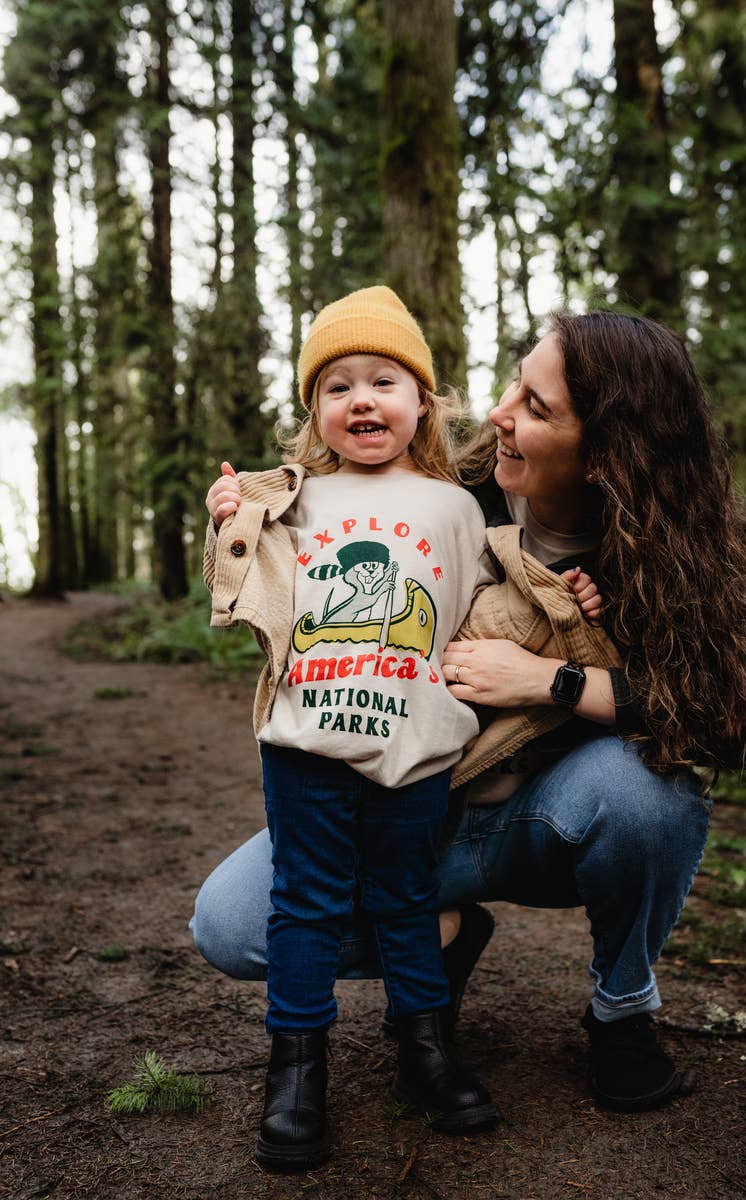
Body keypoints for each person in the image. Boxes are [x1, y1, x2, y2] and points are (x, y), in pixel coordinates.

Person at [194, 308, 746, 1122]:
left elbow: (745, 717)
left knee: (650, 794)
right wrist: (239, 520)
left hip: (550, 821)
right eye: (515, 383)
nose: (501, 413)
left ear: (608, 452)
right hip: (413, 804)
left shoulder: (657, 554)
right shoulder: (455, 492)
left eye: (536, 407)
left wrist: (554, 681)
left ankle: (621, 1012)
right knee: (232, 925)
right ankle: (438, 939)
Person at [201, 286, 612, 1167]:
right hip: (305, 746)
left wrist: (566, 599)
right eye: (337, 385)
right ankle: (296, 1070)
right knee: (304, 905)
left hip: (418, 750)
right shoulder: (295, 499)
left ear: (422, 402)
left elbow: (499, 608)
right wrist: (230, 516)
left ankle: (426, 1050)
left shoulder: (456, 508)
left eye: (383, 381)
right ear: (315, 410)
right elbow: (233, 587)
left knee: (407, 900)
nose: (362, 400)